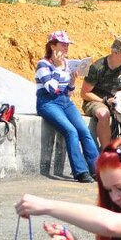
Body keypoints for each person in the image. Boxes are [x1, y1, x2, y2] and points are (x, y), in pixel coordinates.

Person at [35, 30, 99, 183]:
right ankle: (81, 172)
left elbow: (68, 93)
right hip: (48, 102)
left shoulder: (66, 63)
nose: (66, 48)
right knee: (71, 131)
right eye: (63, 45)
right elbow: (51, 88)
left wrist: (72, 82)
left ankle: (98, 170)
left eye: (67, 45)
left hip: (64, 101)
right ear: (52, 46)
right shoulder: (43, 64)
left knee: (84, 130)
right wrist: (57, 68)